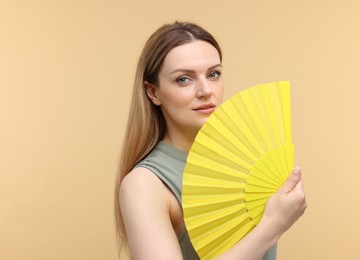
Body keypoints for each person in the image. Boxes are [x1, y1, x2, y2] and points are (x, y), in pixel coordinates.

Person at [115, 21, 307, 260]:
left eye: (213, 74)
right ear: (153, 92)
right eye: (184, 79)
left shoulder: (245, 161)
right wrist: (272, 226)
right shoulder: (145, 184)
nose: (206, 90)